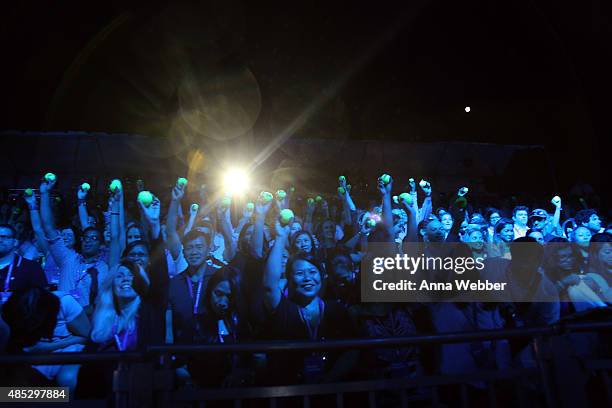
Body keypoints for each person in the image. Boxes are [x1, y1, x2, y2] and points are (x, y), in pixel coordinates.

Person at [262, 219, 357, 384]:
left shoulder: (335, 310)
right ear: (290, 278)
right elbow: (270, 286)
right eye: (299, 273)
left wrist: (329, 381)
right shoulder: (284, 308)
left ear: (321, 276)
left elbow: (352, 350)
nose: (307, 278)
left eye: (312, 271)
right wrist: (280, 237)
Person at [39, 178, 108, 309]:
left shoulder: (104, 267)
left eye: (93, 238)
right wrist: (44, 193)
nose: (88, 240)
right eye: (86, 237)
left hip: (87, 324)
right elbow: (48, 228)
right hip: (60, 324)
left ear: (101, 245)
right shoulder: (67, 258)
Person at [0, 224, 47, 303]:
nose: (0, 240)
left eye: (4, 237)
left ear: (15, 242)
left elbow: (41, 300)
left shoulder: (31, 268)